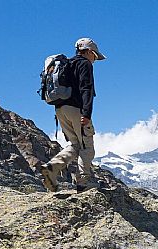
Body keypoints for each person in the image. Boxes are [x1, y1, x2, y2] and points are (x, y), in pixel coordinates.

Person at [41, 37, 106, 192]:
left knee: (75, 144)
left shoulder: (67, 64)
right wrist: (87, 113)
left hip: (60, 109)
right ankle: (84, 181)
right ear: (89, 51)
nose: (95, 59)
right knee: (86, 144)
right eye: (95, 55)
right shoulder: (85, 64)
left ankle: (52, 168)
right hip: (76, 109)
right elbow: (86, 88)